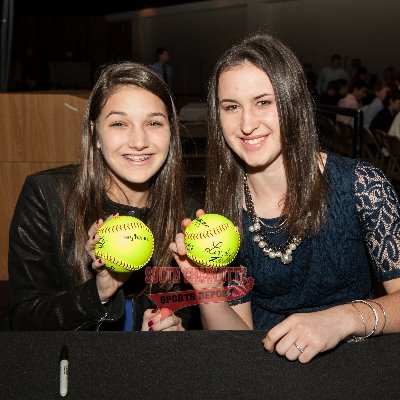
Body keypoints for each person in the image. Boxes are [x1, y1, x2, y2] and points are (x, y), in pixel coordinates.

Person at [170, 32, 400, 363]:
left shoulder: (362, 186)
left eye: (264, 102)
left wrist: (343, 319)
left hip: (356, 366)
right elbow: (238, 339)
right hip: (269, 371)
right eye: (231, 107)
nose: (247, 124)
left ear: (293, 103)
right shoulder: (223, 212)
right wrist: (209, 293)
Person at [8, 61, 196, 331]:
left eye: (154, 122)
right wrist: (98, 292)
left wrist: (174, 326)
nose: (139, 141)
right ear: (96, 135)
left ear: (171, 133)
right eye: (119, 123)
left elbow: (187, 311)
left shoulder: (186, 217)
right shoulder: (47, 196)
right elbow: (23, 319)